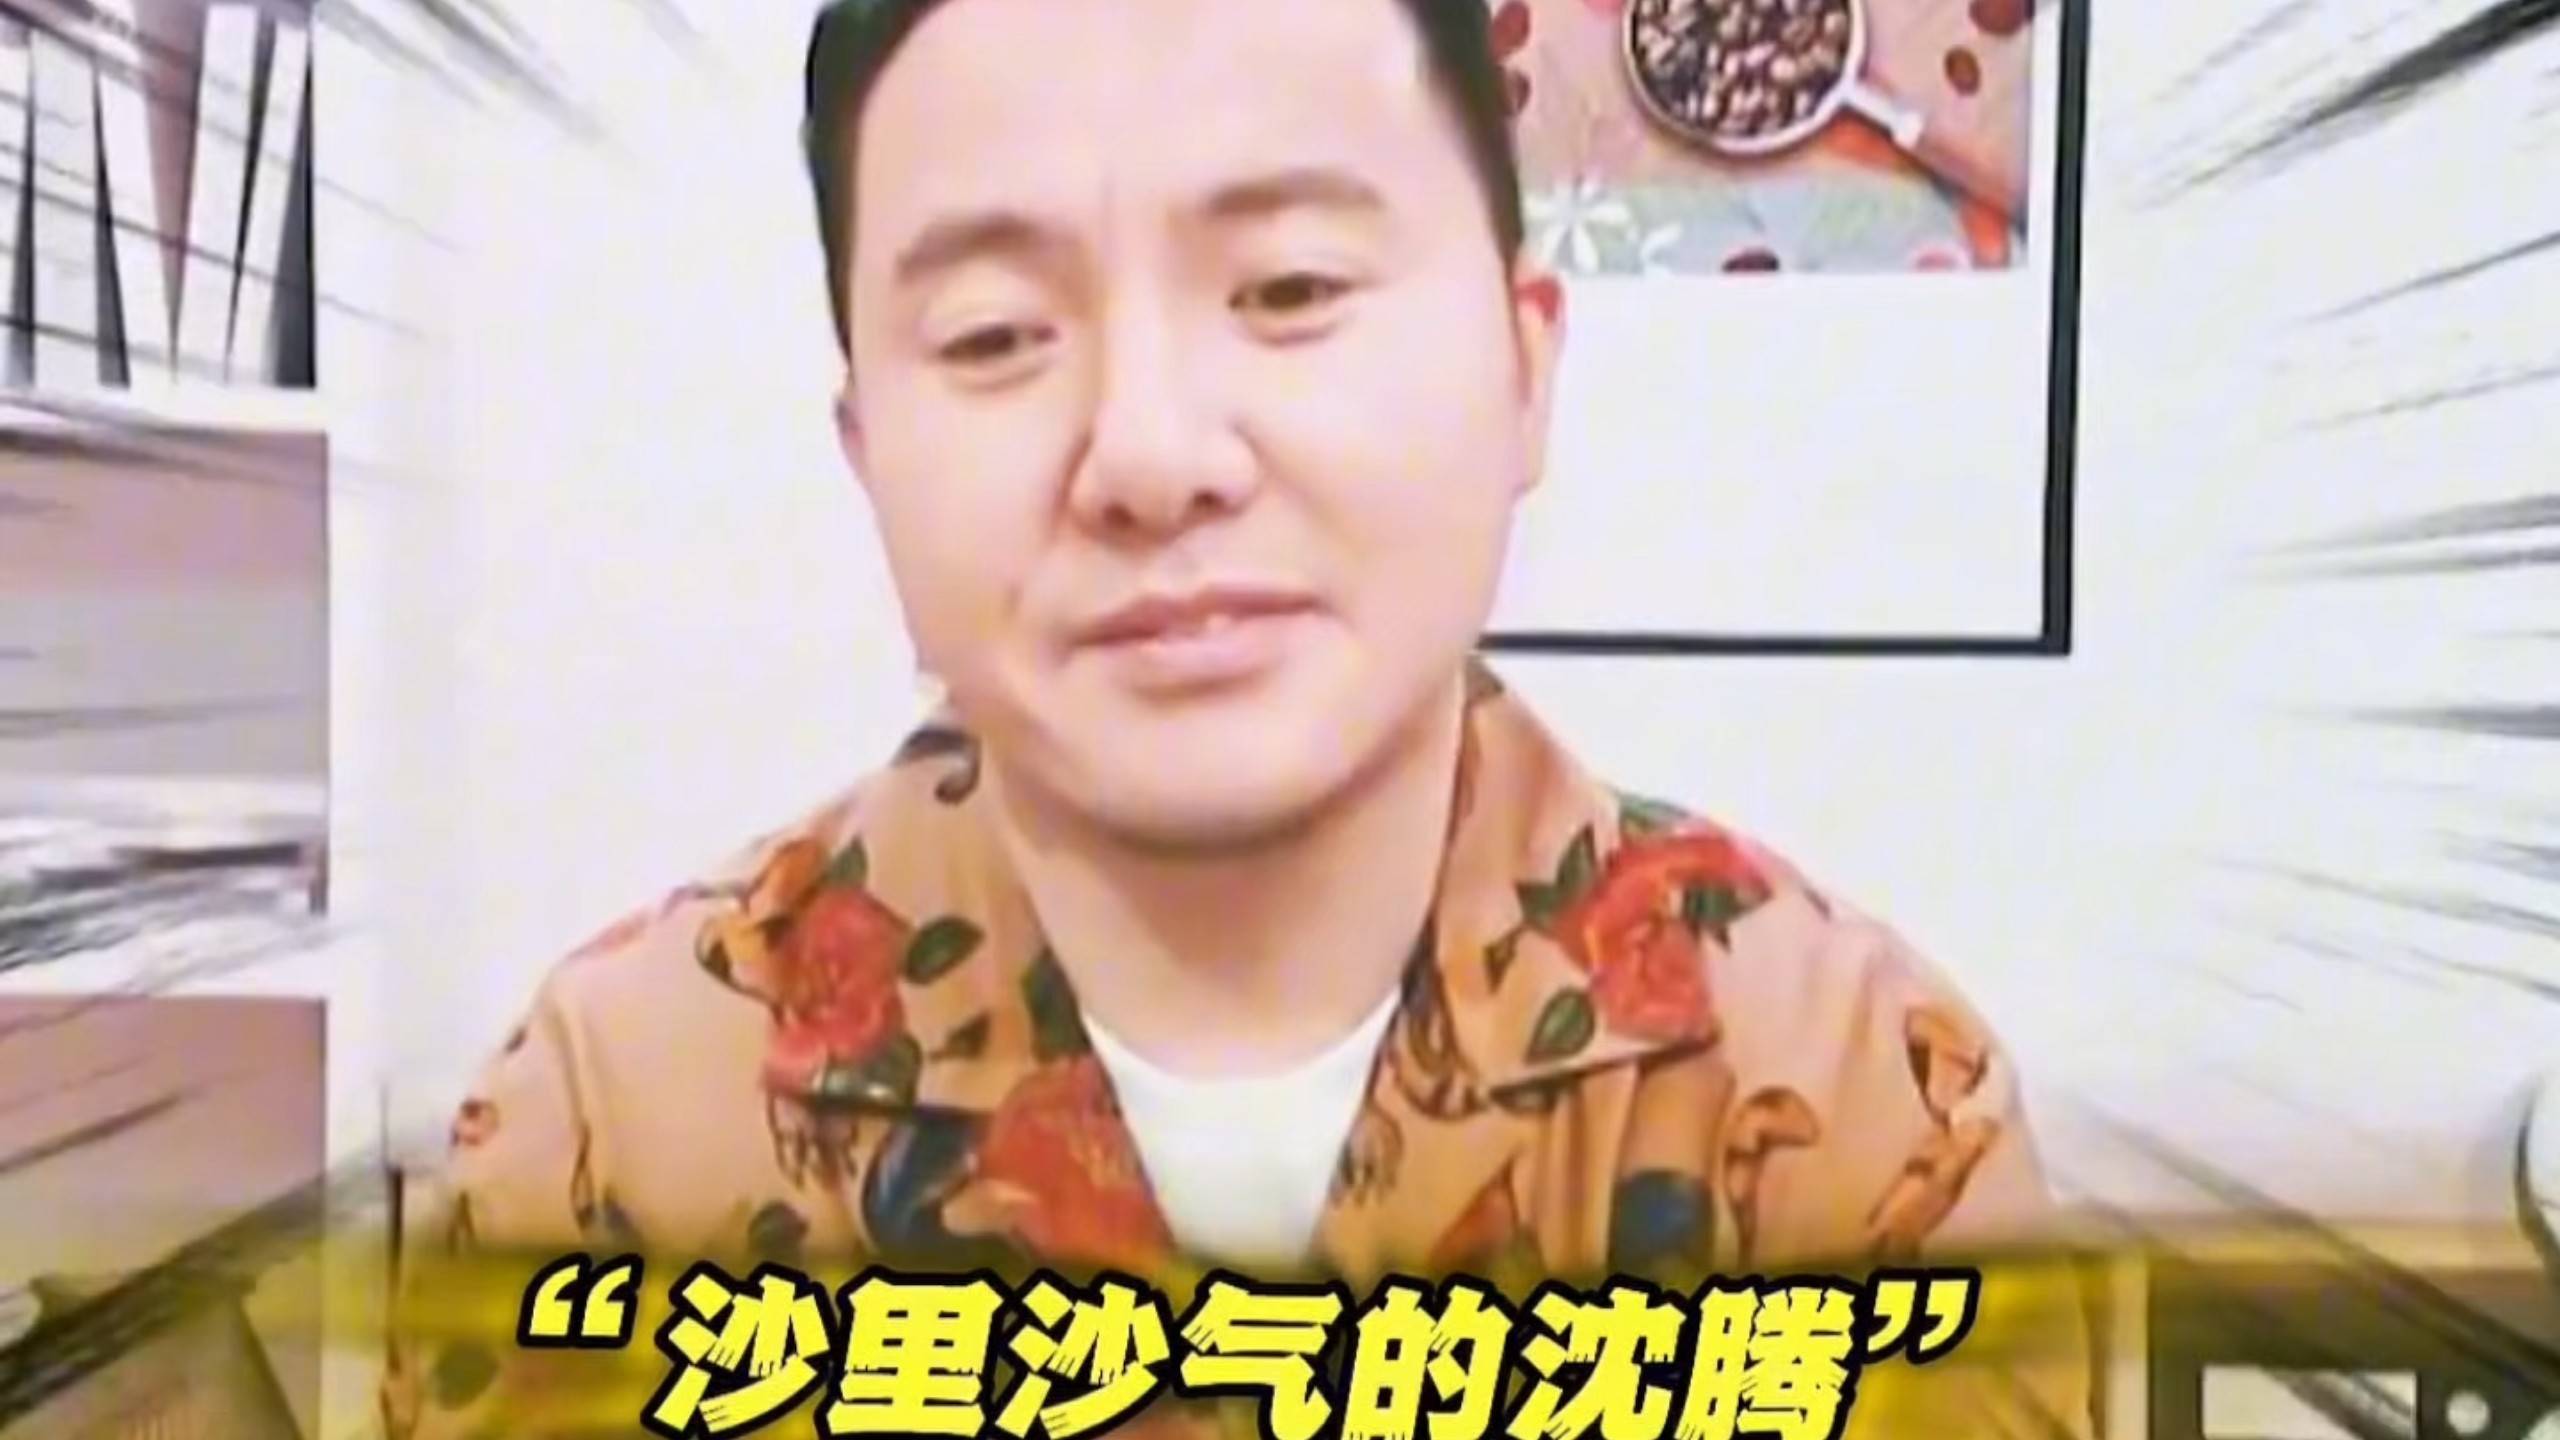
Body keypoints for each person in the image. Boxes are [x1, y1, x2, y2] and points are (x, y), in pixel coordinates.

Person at [382, 0, 2093, 1434]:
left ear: (1523, 369)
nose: (1151, 451)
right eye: (994, 334)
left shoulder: (1847, 1107)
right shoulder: (612, 1125)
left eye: (1288, 290)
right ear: (867, 456)